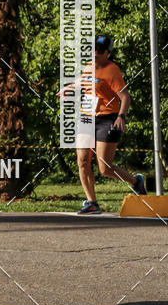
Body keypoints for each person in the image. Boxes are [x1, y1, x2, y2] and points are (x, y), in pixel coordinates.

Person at [59, 34, 145, 214]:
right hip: (87, 116)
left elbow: (125, 97)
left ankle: (136, 182)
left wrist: (121, 116)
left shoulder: (112, 71)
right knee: (82, 160)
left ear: (108, 53)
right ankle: (92, 203)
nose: (95, 53)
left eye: (99, 51)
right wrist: (68, 87)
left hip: (108, 118)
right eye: (92, 50)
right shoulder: (89, 66)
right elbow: (83, 81)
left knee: (104, 167)